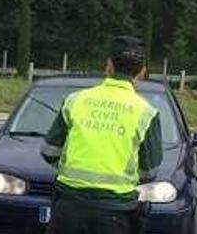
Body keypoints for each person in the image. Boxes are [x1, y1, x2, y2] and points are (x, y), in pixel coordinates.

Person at [40, 35, 163, 234]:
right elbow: (150, 170)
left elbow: (48, 151)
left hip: (69, 208)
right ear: (142, 72)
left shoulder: (75, 100)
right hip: (115, 213)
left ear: (108, 66)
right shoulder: (146, 112)